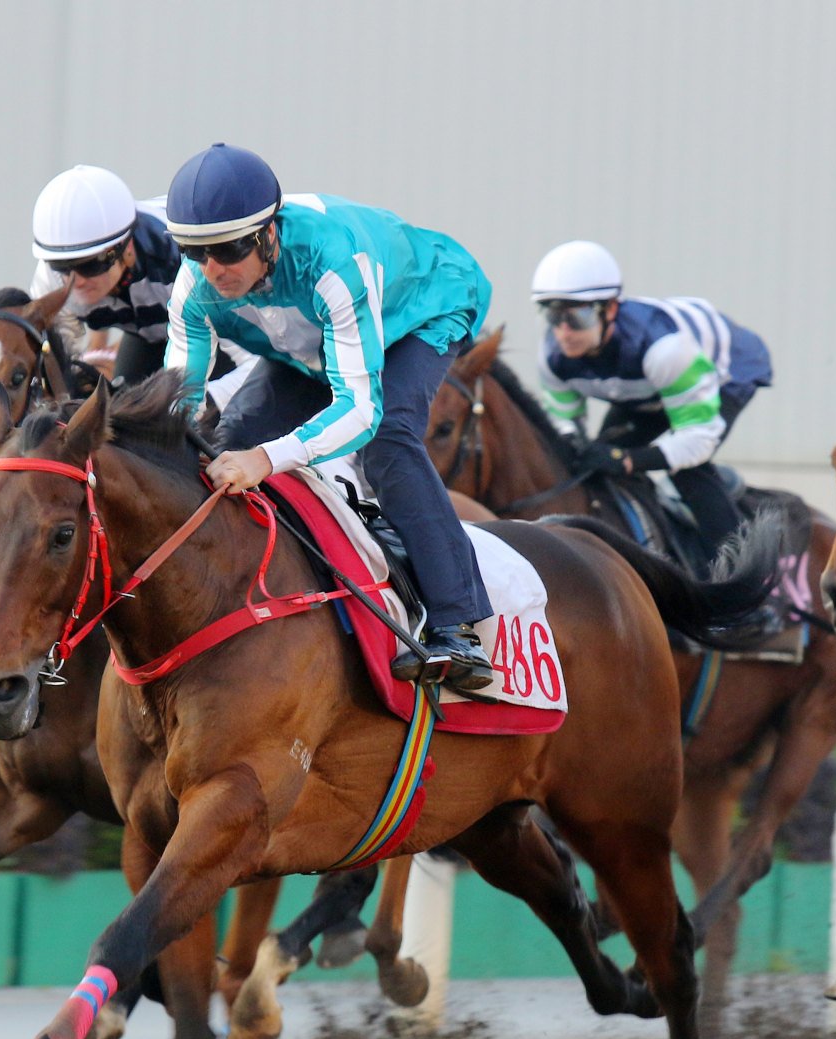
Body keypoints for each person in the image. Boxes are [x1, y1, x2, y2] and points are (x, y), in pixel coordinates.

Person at [161, 142, 495, 691]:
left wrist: (268, 460)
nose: (214, 270)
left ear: (268, 234)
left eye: (229, 250)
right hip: (319, 336)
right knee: (230, 440)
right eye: (197, 253)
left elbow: (359, 411)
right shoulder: (195, 285)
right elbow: (180, 403)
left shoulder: (331, 261)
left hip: (419, 312)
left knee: (386, 439)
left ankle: (457, 624)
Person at [530, 240, 773, 554]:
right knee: (602, 460)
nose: (563, 332)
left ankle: (744, 579)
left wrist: (631, 460)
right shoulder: (552, 355)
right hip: (650, 386)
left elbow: (698, 439)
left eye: (576, 318)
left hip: (725, 371)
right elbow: (563, 421)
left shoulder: (664, 350)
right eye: (552, 316)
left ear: (611, 309)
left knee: (687, 471)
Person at [29, 164, 186, 385]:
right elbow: (55, 366)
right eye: (62, 266)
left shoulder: (176, 260)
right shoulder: (50, 283)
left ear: (127, 250)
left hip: (216, 331)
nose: (78, 281)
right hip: (148, 332)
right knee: (123, 402)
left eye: (91, 265)